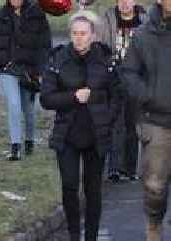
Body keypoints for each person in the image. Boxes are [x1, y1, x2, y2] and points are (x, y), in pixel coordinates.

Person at [41, 12, 122, 241]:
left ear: (93, 36)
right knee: (69, 187)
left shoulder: (105, 61)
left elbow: (117, 95)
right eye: (75, 34)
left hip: (96, 134)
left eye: (83, 34)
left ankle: (92, 237)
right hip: (67, 134)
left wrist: (108, 118)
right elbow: (46, 98)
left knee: (93, 190)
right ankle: (74, 234)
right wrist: (73, 97)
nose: (79, 38)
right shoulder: (58, 60)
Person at [120, 0, 171, 241]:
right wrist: (147, 94)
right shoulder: (143, 36)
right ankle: (154, 225)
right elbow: (128, 73)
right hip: (156, 120)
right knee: (154, 186)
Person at [0, 0, 52, 161]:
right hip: (7, 69)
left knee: (28, 109)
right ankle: (15, 146)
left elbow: (44, 46)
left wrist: (40, 71)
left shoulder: (37, 16)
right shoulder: (0, 19)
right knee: (13, 106)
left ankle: (29, 140)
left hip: (29, 70)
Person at [100, 0, 147, 182]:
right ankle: (114, 168)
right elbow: (101, 45)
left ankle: (130, 168)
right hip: (114, 75)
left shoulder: (144, 21)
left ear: (134, 1)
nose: (124, 3)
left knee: (132, 123)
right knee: (115, 122)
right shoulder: (109, 18)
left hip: (136, 76)